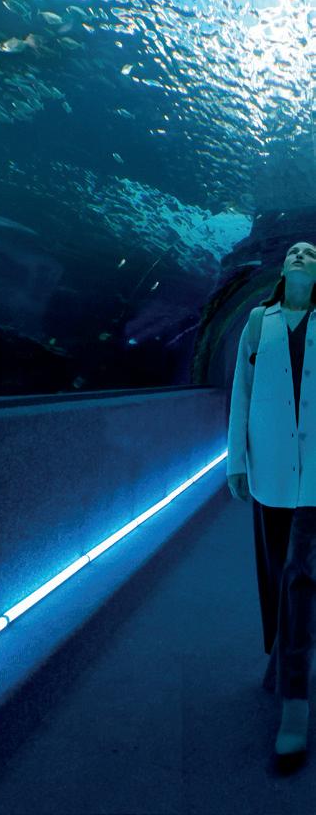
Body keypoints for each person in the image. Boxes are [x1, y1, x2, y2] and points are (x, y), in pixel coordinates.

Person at [227, 240, 316, 767]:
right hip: (271, 468)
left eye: (311, 251)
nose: (301, 254)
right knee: (276, 571)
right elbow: (240, 392)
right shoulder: (259, 322)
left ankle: (295, 704)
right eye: (295, 251)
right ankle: (281, 660)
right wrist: (235, 460)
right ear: (283, 267)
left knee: (300, 574)